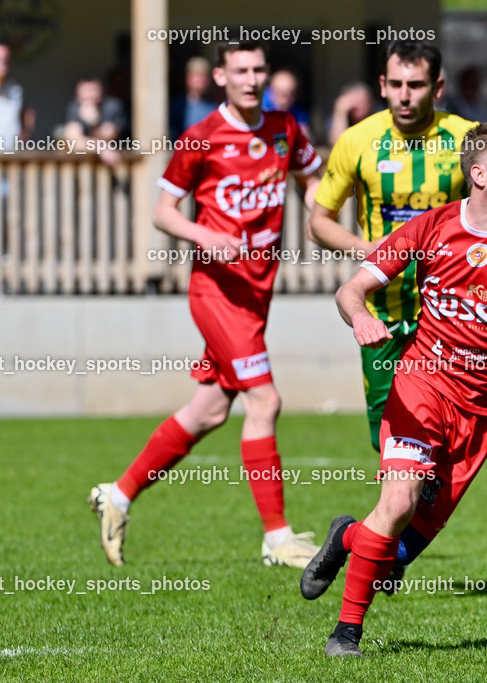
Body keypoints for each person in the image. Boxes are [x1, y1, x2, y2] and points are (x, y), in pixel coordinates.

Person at [301, 118, 487, 657]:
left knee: (397, 552)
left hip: (485, 410)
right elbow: (351, 289)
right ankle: (346, 635)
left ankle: (345, 537)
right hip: (422, 382)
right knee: (399, 499)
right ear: (478, 174)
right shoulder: (430, 229)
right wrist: (358, 317)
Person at [88, 40, 324, 569]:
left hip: (257, 291)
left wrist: (325, 206)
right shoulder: (200, 138)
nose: (250, 78)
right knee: (265, 402)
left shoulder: (284, 128)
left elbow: (311, 181)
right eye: (239, 70)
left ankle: (118, 495)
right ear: (220, 76)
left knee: (210, 409)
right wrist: (203, 234)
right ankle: (277, 537)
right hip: (215, 291)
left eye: (258, 69)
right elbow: (162, 211)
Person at [307, 40, 476, 454]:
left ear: (437, 88)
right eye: (396, 83)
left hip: (448, 312)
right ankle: (399, 515)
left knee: (447, 433)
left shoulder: (466, 138)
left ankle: (410, 515)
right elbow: (318, 224)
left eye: (415, 85)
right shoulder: (357, 140)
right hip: (381, 314)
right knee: (387, 439)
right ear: (382, 84)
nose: (404, 94)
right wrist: (367, 248)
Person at [63, 76, 127, 165]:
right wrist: (101, 147)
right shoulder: (74, 108)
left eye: (93, 90)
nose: (90, 95)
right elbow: (73, 140)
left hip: (117, 161)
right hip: (84, 163)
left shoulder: (112, 106)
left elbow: (109, 135)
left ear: (101, 91)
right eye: (86, 91)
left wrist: (93, 122)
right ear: (78, 94)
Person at [169, 57, 217, 141]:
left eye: (203, 76)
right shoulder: (177, 107)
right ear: (188, 78)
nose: (200, 80)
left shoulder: (213, 108)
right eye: (196, 75)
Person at [263, 69, 312, 141]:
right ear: (271, 89)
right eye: (281, 93)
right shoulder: (257, 105)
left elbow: (305, 139)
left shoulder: (298, 111)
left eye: (291, 94)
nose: (286, 99)